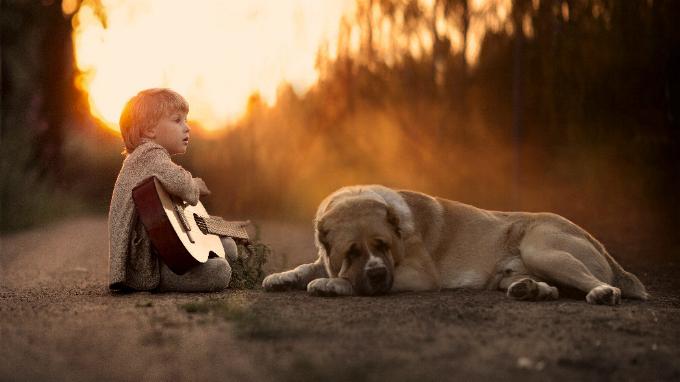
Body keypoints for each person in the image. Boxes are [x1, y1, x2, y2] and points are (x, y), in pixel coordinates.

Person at [108, 88, 237, 292]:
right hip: (145, 269)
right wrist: (195, 185)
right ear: (150, 130)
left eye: (186, 120)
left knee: (227, 246)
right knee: (220, 270)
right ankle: (165, 281)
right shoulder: (150, 153)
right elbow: (182, 184)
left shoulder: (140, 160)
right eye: (177, 120)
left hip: (151, 258)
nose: (187, 128)